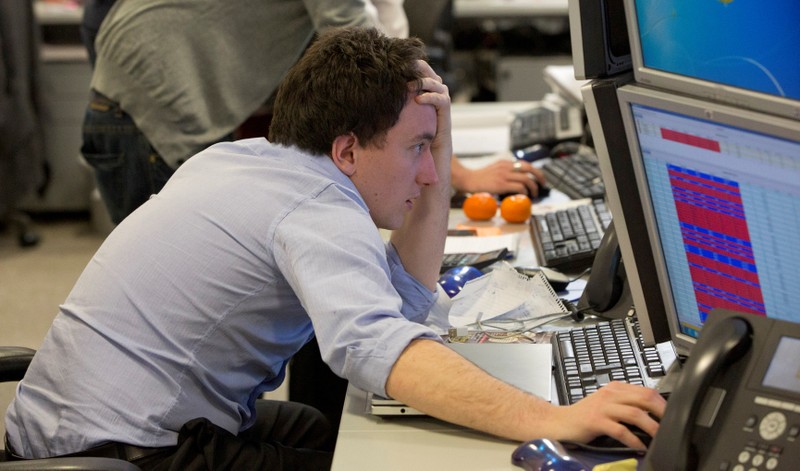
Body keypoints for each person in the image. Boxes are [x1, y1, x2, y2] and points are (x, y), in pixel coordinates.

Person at [5, 27, 664, 470]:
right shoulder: (316, 207)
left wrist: (437, 136)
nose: (430, 174)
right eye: (415, 151)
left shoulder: (249, 160)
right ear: (348, 148)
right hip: (126, 448)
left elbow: (402, 298)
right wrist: (555, 416)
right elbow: (380, 346)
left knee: (321, 429)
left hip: (69, 420)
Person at [79, 0, 544, 226]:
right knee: (176, 307)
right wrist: (452, 171)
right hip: (150, 103)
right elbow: (370, 54)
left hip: (149, 86)